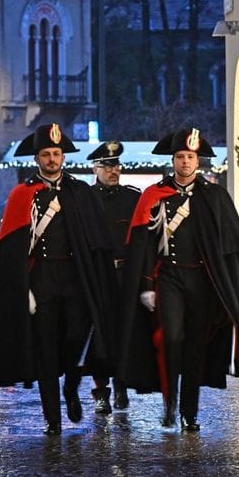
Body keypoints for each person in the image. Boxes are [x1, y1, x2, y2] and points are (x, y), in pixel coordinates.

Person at [118, 127, 239, 431]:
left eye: (190, 157)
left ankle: (190, 412)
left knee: (195, 348)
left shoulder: (213, 196)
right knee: (172, 338)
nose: (185, 162)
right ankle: (170, 402)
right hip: (169, 278)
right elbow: (143, 244)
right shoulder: (155, 195)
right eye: (180, 157)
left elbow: (229, 245)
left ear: (197, 160)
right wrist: (147, 285)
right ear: (173, 160)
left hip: (202, 282)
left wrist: (227, 286)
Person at [0, 123, 117, 435]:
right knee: (44, 348)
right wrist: (22, 288)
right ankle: (52, 418)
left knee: (75, 338)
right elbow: (10, 249)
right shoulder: (22, 195)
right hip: (41, 280)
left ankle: (71, 385)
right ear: (37, 159)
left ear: (63, 157)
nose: (52, 159)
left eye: (57, 154)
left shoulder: (80, 192)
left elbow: (96, 241)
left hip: (74, 279)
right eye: (46, 154)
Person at [86, 140, 141, 413]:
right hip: (97, 276)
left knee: (124, 334)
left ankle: (121, 386)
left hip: (125, 275)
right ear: (95, 168)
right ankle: (100, 391)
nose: (113, 171)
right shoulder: (84, 200)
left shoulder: (132, 198)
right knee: (98, 337)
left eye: (117, 165)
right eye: (107, 166)